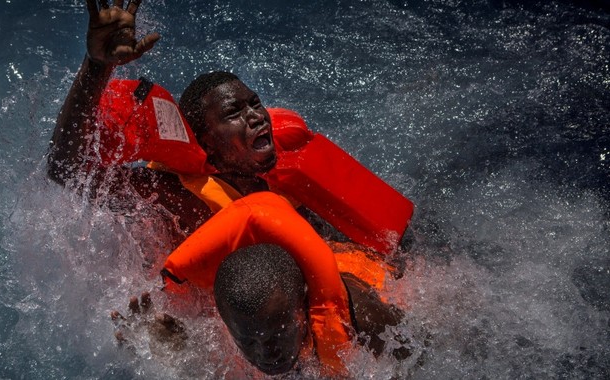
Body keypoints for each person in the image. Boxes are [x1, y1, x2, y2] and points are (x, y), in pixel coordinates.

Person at [48, 0, 286, 236]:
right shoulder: (175, 197)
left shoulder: (283, 170)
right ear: (207, 143)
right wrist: (97, 66)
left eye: (255, 104)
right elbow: (68, 171)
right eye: (234, 113)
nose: (256, 116)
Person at [213, 243, 409, 376]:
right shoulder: (241, 318)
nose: (267, 354)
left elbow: (421, 353)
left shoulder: (362, 317)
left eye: (280, 334)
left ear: (304, 304)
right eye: (248, 342)